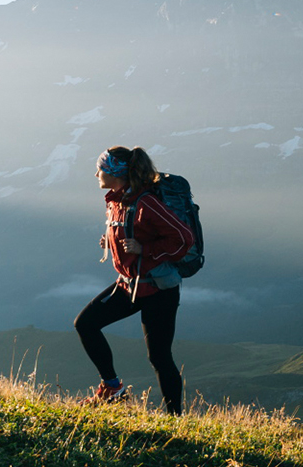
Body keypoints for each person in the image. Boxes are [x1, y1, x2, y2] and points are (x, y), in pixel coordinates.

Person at [75, 145, 194, 415]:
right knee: (86, 324)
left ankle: (175, 419)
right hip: (130, 284)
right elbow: (135, 232)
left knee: (159, 357)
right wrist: (112, 241)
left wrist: (145, 250)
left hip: (159, 290)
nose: (96, 174)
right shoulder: (118, 200)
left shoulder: (146, 203)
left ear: (116, 173)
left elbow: (183, 239)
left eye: (101, 169)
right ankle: (113, 389)